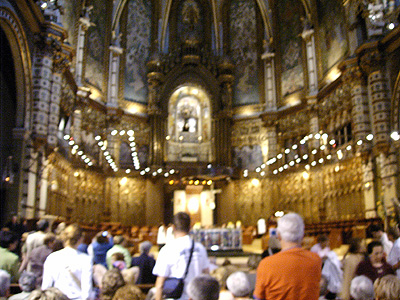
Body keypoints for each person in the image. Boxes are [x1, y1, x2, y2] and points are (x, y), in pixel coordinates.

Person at [253, 213, 322, 300]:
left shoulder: (266, 264)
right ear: (303, 235)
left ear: (278, 235)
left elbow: (258, 297)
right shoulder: (315, 260)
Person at [153, 212, 210, 300]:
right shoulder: (200, 248)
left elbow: (160, 284)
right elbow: (207, 277)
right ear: (190, 227)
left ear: (173, 227)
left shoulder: (167, 249)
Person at [41, 223, 93, 300]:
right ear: (80, 239)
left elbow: (46, 287)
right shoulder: (86, 259)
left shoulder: (52, 257)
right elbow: (87, 291)